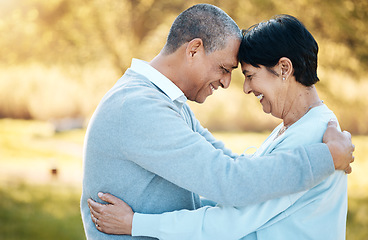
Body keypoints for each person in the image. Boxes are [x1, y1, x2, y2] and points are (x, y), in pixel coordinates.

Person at [81, 5, 354, 240]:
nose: (227, 83)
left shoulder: (166, 105)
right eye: (225, 69)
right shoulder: (139, 107)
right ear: (194, 50)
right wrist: (326, 157)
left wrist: (137, 222)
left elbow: (232, 175)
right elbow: (231, 182)